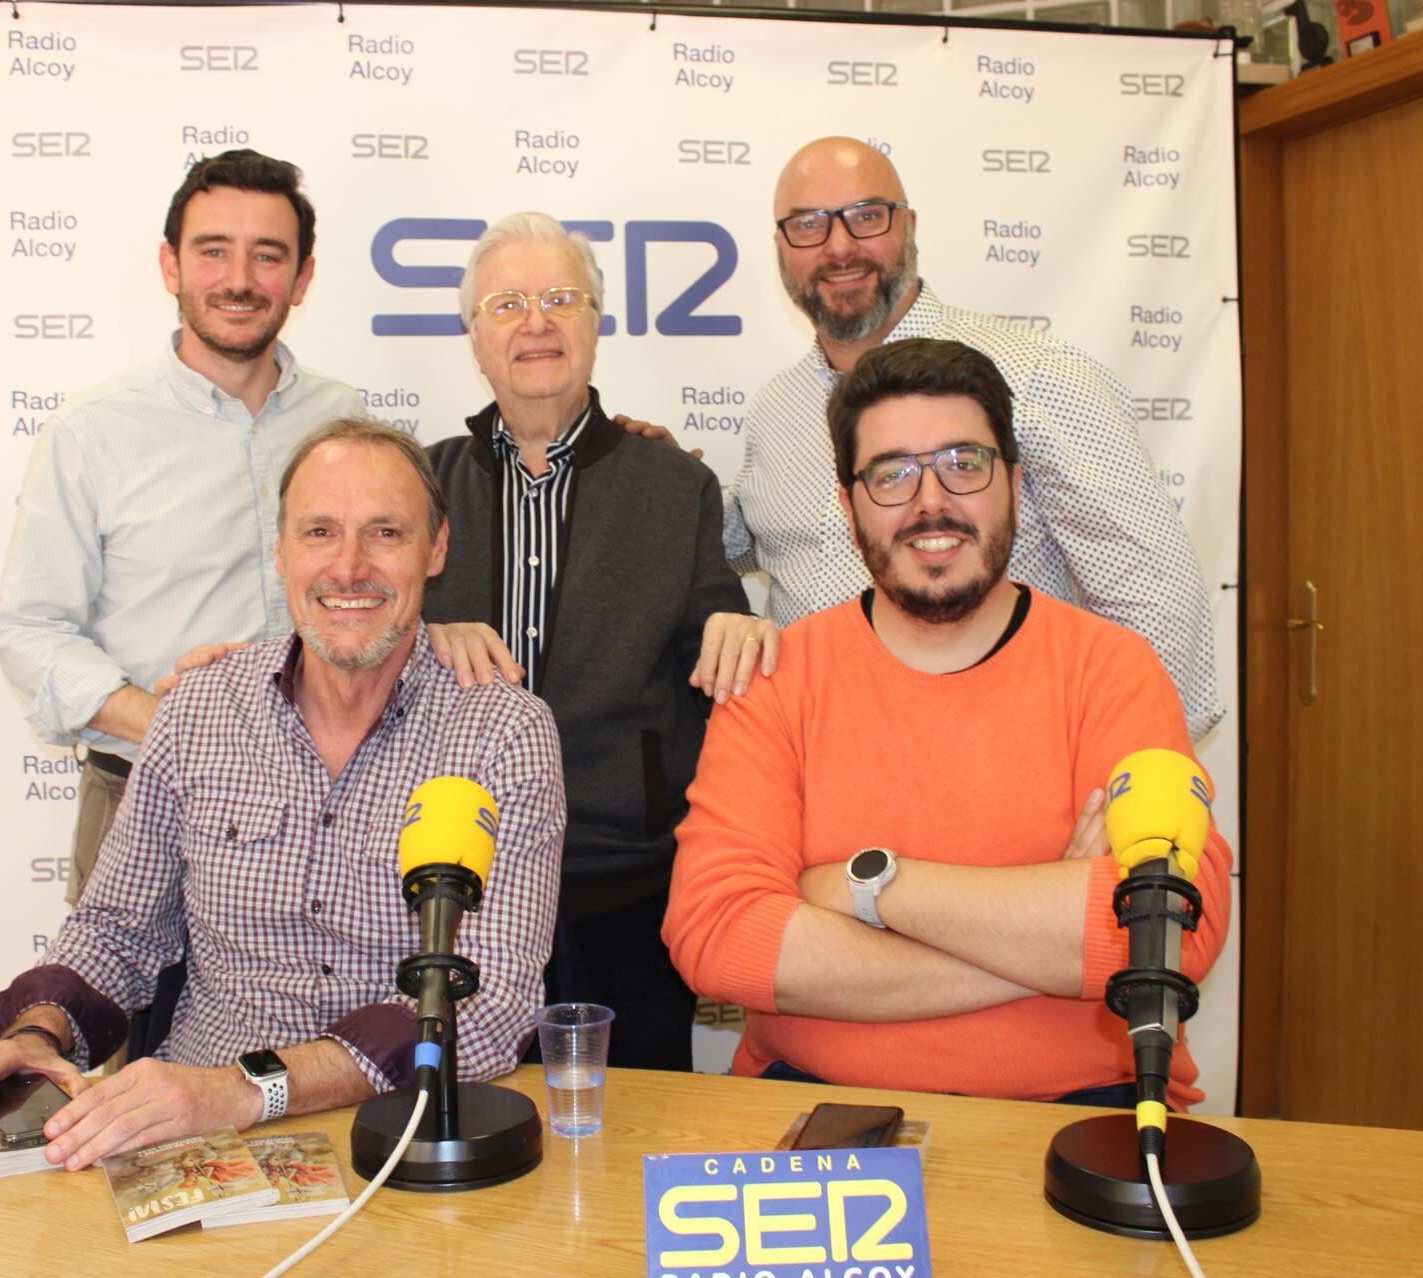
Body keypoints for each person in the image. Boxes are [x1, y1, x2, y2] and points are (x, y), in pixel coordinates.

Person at [0, 420, 565, 1168]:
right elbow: (116, 931)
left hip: (403, 1135)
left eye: (385, 533)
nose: (349, 567)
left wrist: (247, 1088)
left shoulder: (503, 731)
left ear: (437, 549)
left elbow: (487, 1004)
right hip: (194, 1139)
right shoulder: (199, 710)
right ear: (281, 551)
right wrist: (35, 1036)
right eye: (319, 532)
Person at [661, 338, 1233, 1107]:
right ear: (847, 503)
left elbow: (1178, 930)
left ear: (1015, 485)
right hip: (814, 1107)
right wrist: (1039, 945)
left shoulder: (1112, 668)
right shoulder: (777, 677)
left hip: (1081, 1108)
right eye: (892, 473)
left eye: (965, 463)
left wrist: (869, 890)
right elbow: (721, 939)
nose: (931, 502)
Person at [630, 136, 1219, 742]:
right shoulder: (779, 409)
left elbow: (1156, 604)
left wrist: (1129, 775)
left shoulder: (1039, 378)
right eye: (808, 224)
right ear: (782, 248)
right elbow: (765, 542)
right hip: (825, 780)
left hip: (1008, 777)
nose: (838, 246)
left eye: (866, 217)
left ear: (909, 226)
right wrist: (661, 477)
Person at [423, 212, 774, 1072]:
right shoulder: (421, 481)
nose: (535, 322)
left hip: (629, 888)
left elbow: (712, 634)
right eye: (506, 303)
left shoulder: (676, 483)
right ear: (474, 337)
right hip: (459, 882)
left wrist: (742, 625)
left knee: (635, 1131)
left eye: (560, 298)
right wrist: (423, 630)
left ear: (596, 322)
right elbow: (357, 635)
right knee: (462, 1116)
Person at [0, 149, 365, 907]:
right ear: (171, 266)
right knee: (128, 1020)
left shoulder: (344, 420)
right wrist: (173, 723)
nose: (238, 279)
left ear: (301, 279)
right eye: (213, 251)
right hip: (147, 802)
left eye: (268, 256)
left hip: (334, 803)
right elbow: (29, 630)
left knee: (314, 1026)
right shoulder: (91, 432)